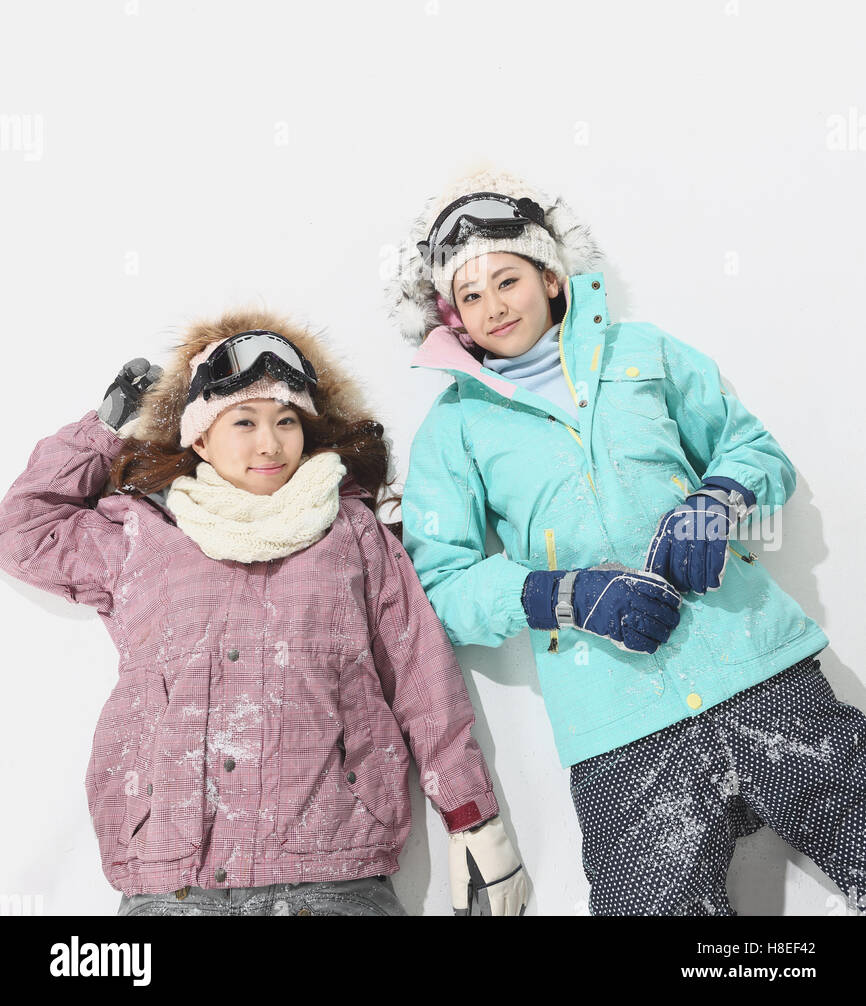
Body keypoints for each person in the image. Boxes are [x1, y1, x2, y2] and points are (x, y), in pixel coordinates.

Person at [390, 168, 866, 916]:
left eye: (506, 279)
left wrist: (719, 502)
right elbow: (441, 587)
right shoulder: (454, 428)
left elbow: (756, 452)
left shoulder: (644, 353)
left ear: (550, 274)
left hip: (761, 674)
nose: (492, 306)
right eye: (470, 296)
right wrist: (561, 595)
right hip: (619, 728)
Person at [0, 307, 527, 917]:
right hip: (174, 884)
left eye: (286, 420)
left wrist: (471, 819)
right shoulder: (141, 537)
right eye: (243, 421)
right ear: (199, 436)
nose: (270, 443)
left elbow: (421, 676)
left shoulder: (351, 533)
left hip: (330, 874)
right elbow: (24, 531)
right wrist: (105, 429)